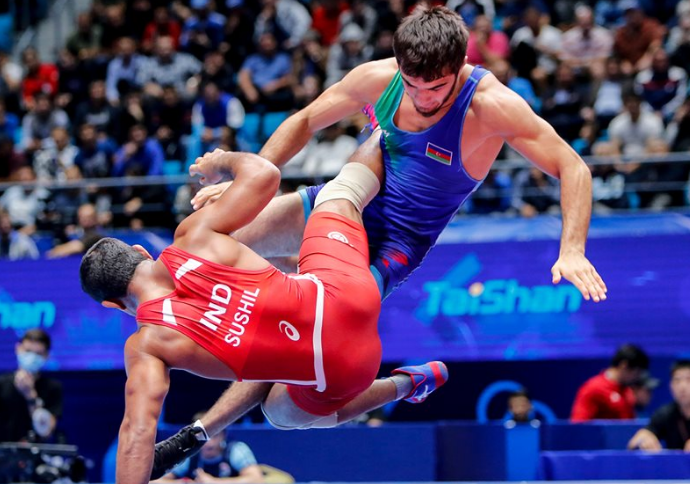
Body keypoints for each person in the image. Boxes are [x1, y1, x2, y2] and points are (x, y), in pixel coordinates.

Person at [163, 5, 607, 466]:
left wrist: (572, 249)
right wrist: (247, 182)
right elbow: (306, 120)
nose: (421, 98)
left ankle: (404, 383)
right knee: (199, 248)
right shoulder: (381, 78)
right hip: (339, 202)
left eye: (436, 88)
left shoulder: (490, 105)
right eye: (411, 85)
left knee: (284, 412)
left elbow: (571, 165)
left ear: (459, 67)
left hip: (386, 250)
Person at [79, 145, 448, 484]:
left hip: (348, 367)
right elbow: (265, 174)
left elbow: (137, 433)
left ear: (112, 304)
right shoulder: (192, 235)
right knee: (340, 192)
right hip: (349, 290)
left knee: (281, 414)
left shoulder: (147, 346)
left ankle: (407, 385)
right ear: (142, 252)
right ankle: (387, 130)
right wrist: (218, 161)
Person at [0, 329, 62, 484]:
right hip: (2, 465)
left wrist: (30, 396)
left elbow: (46, 431)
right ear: (18, 348)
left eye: (38, 353)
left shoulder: (53, 388)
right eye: (28, 351)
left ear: (46, 356)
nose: (32, 357)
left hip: (38, 468)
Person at [154, 414, 264, 483]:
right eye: (203, 437)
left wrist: (214, 482)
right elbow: (155, 481)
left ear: (223, 435)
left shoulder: (236, 450)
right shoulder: (188, 452)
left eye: (214, 436)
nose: (209, 442)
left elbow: (257, 480)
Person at [570, 344, 650, 422]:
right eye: (637, 372)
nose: (637, 377)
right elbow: (579, 425)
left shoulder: (628, 391)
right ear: (624, 365)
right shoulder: (593, 389)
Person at [628, 360, 690, 451]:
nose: (682, 386)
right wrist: (643, 439)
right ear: (671, 386)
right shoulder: (666, 414)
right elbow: (634, 442)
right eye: (677, 380)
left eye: (688, 380)